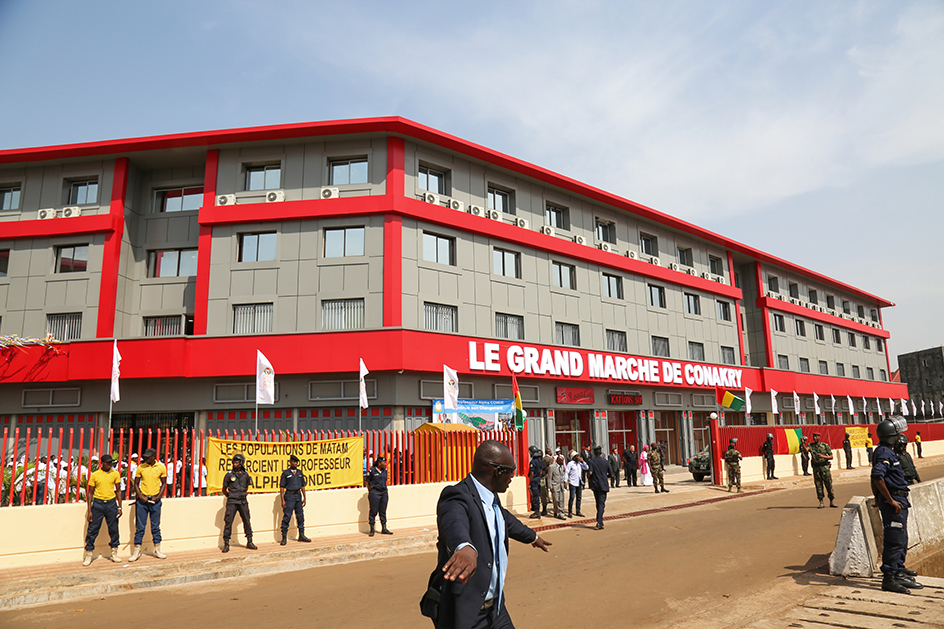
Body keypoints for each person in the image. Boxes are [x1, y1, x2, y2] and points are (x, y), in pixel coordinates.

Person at [419, 440, 551, 628]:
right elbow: (453, 523)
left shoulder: (491, 497)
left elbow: (506, 520)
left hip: (496, 609)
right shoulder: (456, 496)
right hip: (466, 613)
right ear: (497, 471)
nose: (513, 476)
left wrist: (533, 537)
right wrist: (463, 546)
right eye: (511, 471)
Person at [871, 417, 923, 594]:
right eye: (896, 434)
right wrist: (889, 500)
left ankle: (899, 570)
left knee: (901, 538)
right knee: (894, 540)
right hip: (894, 502)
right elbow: (877, 477)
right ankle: (889, 578)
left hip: (899, 500)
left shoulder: (888, 451)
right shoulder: (884, 452)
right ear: (891, 436)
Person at [82, 454, 123, 566]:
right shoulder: (95, 475)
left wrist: (119, 506)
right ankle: (89, 554)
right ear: (102, 463)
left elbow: (118, 491)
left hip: (111, 504)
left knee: (114, 528)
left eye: (111, 463)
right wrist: (89, 510)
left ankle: (114, 552)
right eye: (108, 463)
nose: (110, 465)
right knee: (93, 529)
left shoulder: (115, 473)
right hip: (98, 504)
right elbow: (90, 493)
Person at [130, 448, 167, 562]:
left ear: (153, 457)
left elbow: (164, 483)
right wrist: (140, 496)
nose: (145, 459)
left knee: (155, 527)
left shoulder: (161, 467)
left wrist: (159, 496)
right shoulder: (141, 467)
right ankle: (137, 550)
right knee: (140, 527)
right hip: (142, 501)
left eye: (147, 457)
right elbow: (136, 483)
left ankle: (157, 549)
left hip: (155, 500)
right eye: (144, 457)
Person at [221, 453, 256, 553]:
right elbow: (224, 489)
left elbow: (246, 487)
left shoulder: (245, 475)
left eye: (237, 462)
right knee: (228, 522)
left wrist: (241, 495)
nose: (234, 464)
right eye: (234, 462)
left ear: (241, 463)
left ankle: (249, 541)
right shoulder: (229, 475)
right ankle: (226, 543)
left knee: (247, 520)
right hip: (232, 501)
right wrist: (230, 496)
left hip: (242, 501)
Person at [280, 454, 311, 544]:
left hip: (298, 496)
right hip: (289, 496)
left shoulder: (299, 473)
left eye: (296, 462)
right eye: (294, 462)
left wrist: (304, 498)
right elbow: (282, 487)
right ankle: (284, 537)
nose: (295, 463)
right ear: (290, 462)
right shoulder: (286, 473)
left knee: (300, 516)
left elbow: (303, 486)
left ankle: (301, 535)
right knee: (287, 516)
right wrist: (283, 500)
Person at [808, 432, 836, 508]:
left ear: (819, 437)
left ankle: (831, 501)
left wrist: (823, 456)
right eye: (813, 436)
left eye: (816, 436)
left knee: (829, 485)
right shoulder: (811, 446)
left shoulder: (825, 446)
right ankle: (821, 502)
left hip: (825, 468)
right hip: (816, 469)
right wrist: (803, 443)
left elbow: (831, 457)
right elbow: (806, 450)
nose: (814, 438)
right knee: (818, 486)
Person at [587, 446, 612, 529]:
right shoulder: (605, 462)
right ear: (601, 453)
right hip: (603, 484)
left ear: (594, 453)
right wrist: (605, 477)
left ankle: (599, 519)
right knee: (601, 503)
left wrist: (589, 478)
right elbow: (611, 474)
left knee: (598, 502)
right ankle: (599, 521)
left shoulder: (591, 462)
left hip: (595, 484)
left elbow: (590, 472)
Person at [367, 455, 392, 537]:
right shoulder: (372, 471)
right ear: (379, 463)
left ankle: (384, 528)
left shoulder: (385, 471)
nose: (385, 463)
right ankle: (372, 529)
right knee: (373, 511)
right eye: (383, 462)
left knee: (383, 510)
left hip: (384, 492)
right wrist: (371, 491)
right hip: (375, 492)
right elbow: (367, 482)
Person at [565, 452, 587, 517]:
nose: (578, 457)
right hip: (572, 482)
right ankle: (570, 512)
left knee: (579, 498)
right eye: (577, 456)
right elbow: (566, 472)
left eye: (579, 456)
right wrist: (565, 481)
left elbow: (586, 468)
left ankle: (578, 511)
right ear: (573, 457)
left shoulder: (580, 464)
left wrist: (583, 462)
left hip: (579, 482)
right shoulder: (570, 464)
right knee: (572, 497)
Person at [547, 453, 567, 520]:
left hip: (561, 485)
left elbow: (563, 475)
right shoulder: (552, 467)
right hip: (555, 485)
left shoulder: (562, 467)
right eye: (561, 461)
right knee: (556, 500)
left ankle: (561, 513)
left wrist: (564, 483)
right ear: (558, 461)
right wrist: (550, 487)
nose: (562, 462)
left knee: (561, 500)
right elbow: (549, 477)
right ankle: (555, 511)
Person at [527, 446, 544, 519]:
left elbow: (532, 473)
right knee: (537, 496)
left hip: (534, 480)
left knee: (535, 496)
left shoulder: (533, 462)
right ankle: (538, 511)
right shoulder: (540, 461)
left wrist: (530, 484)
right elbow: (541, 471)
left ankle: (537, 512)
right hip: (538, 479)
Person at [540, 448, 554, 516]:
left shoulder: (543, 458)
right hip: (548, 475)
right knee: (549, 488)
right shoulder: (550, 459)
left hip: (544, 476)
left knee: (545, 490)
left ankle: (547, 498)